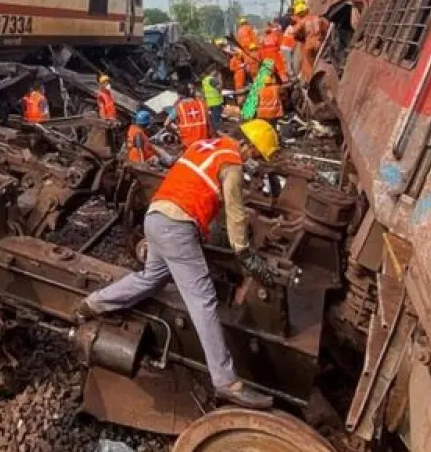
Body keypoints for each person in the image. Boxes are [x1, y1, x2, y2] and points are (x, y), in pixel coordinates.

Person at [75, 120, 281, 410]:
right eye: (256, 156)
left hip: (156, 217)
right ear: (248, 145)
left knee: (151, 279)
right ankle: (226, 382)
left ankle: (93, 303)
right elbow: (236, 215)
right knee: (203, 301)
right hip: (177, 226)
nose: (252, 162)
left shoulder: (203, 146)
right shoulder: (232, 164)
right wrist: (245, 254)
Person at [200, 66, 224, 132]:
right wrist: (220, 79)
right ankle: (218, 132)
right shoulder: (213, 79)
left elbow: (203, 91)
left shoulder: (204, 80)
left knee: (212, 118)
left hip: (209, 102)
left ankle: (213, 130)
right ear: (213, 71)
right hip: (216, 102)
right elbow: (219, 89)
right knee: (217, 118)